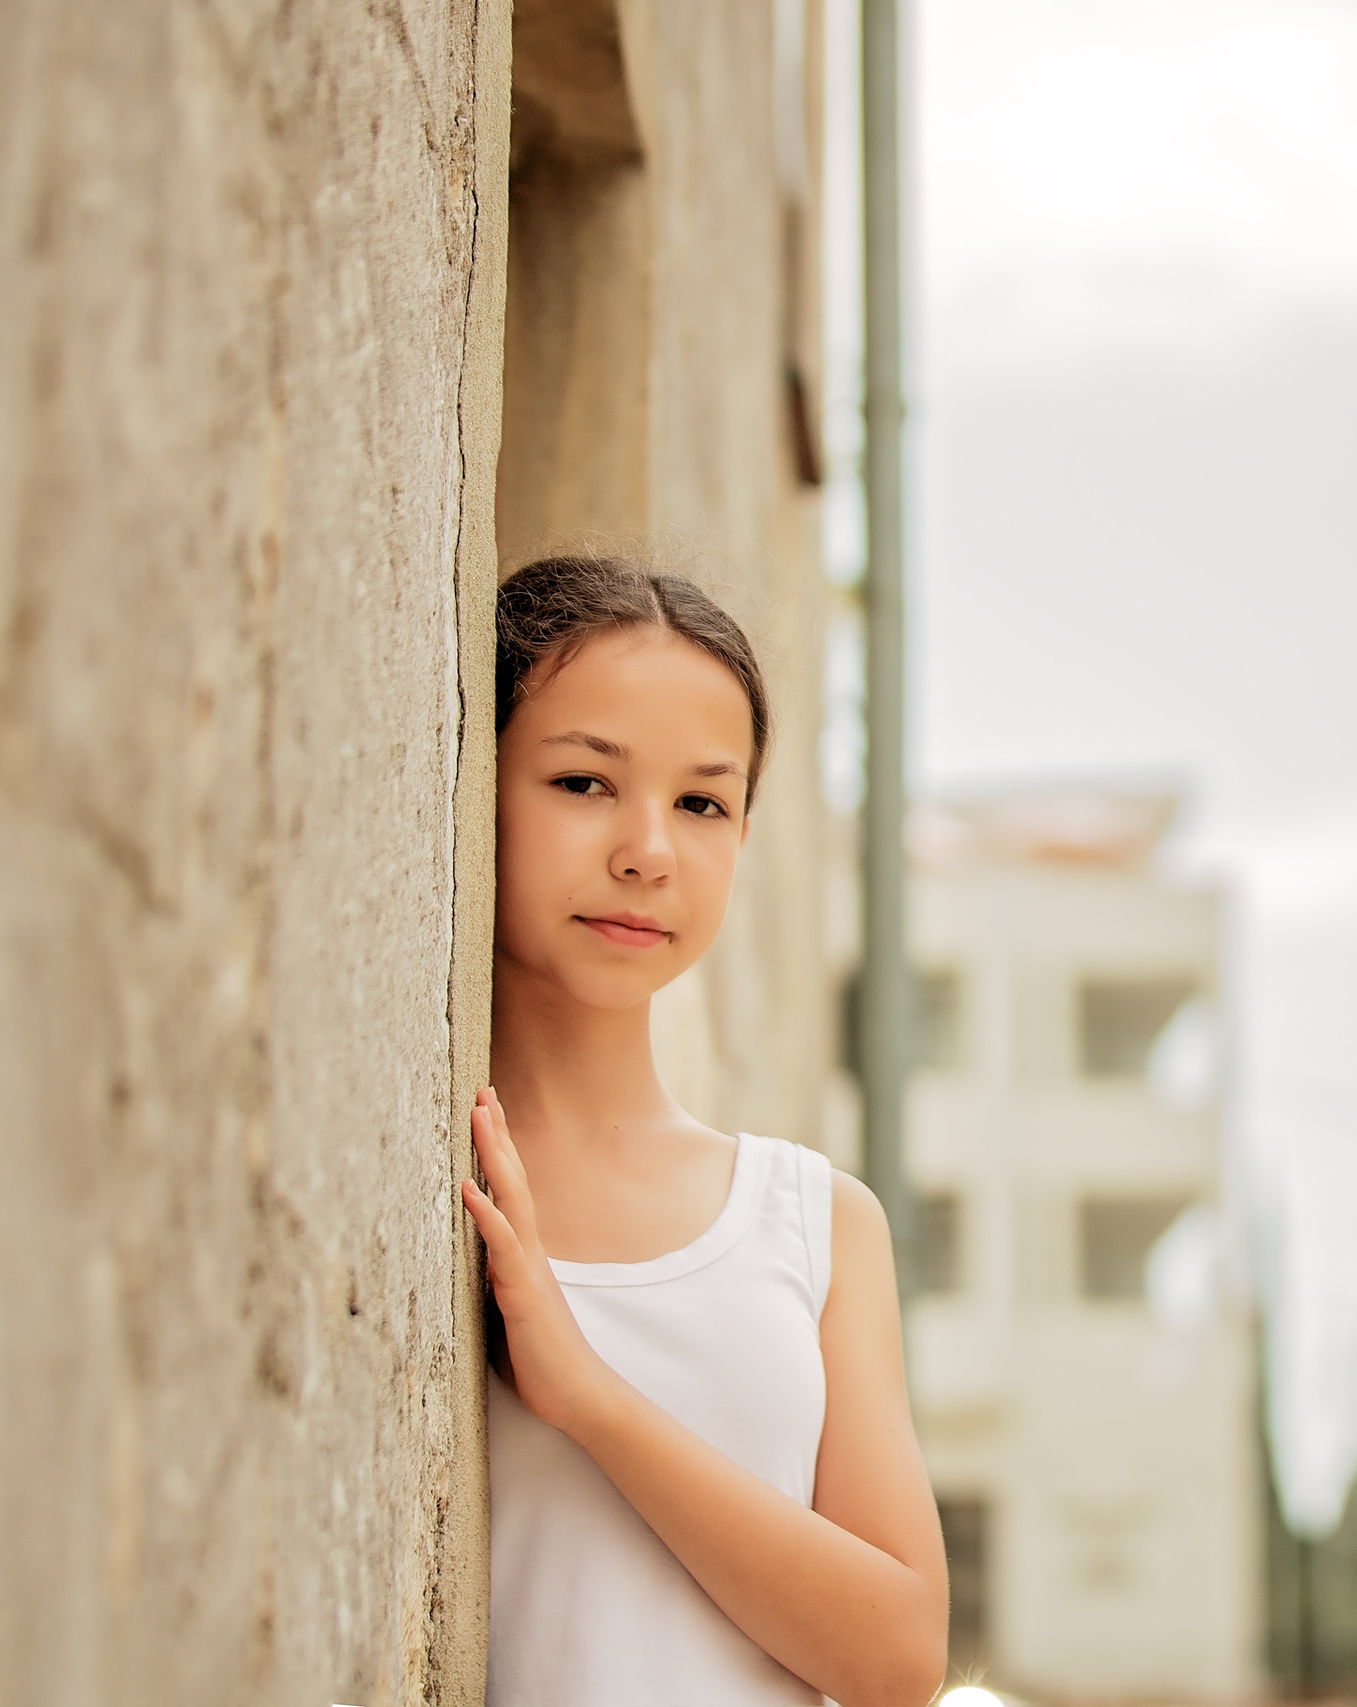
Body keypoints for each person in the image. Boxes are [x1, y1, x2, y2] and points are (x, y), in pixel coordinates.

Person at [462, 556, 948, 1707]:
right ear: (478, 784)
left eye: (701, 803)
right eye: (584, 782)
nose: (648, 851)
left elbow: (899, 1660)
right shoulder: (416, 1177)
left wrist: (587, 1397)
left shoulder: (815, 1223)